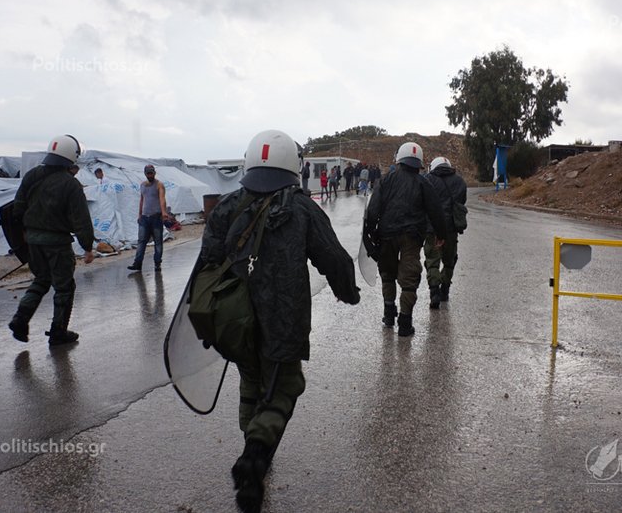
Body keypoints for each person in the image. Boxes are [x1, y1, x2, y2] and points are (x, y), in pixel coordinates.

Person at [198, 129, 360, 512]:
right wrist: (347, 292)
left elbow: (206, 264)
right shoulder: (301, 207)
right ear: (293, 165)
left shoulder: (227, 206)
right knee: (284, 386)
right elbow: (334, 259)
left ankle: (255, 447)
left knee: (251, 380)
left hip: (234, 321)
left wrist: (209, 322)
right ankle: (255, 455)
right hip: (283, 321)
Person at [8, 134, 95, 346]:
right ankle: (58, 332)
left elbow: (17, 208)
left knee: (41, 280)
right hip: (57, 244)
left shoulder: (31, 176)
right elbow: (81, 220)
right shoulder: (71, 185)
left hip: (33, 242)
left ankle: (20, 319)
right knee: (64, 288)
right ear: (71, 157)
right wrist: (88, 247)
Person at [364, 142, 446, 336]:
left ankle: (388, 313)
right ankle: (405, 323)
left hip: (386, 236)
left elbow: (373, 209)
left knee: (388, 273)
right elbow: (436, 211)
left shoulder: (385, 180)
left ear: (399, 159)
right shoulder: (424, 183)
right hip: (412, 236)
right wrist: (441, 234)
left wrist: (369, 231)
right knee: (409, 278)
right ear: (418, 163)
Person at [422, 156, 467, 308]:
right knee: (449, 261)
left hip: (431, 228)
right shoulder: (460, 181)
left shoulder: (427, 179)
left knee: (432, 261)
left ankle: (434, 292)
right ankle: (445, 290)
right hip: (451, 229)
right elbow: (462, 201)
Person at [128, 164, 169, 271]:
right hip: (145, 218)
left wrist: (164, 212)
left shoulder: (159, 185)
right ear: (145, 174)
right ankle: (137, 263)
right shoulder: (142, 185)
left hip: (156, 217)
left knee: (158, 241)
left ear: (154, 173)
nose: (150, 175)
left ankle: (157, 263)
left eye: (151, 173)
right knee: (141, 241)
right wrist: (139, 214)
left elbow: (162, 199)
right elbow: (142, 200)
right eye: (148, 173)